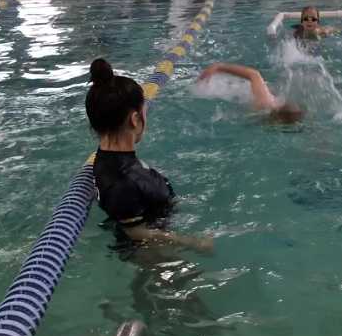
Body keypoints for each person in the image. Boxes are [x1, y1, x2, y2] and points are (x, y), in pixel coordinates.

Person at [86, 58, 212, 252]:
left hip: (153, 223)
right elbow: (136, 232)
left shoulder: (111, 160)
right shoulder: (123, 181)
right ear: (135, 119)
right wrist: (192, 243)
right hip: (148, 253)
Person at [197, 62, 304, 124]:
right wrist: (219, 67)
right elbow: (254, 74)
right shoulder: (265, 102)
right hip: (238, 88)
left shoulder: (268, 117)